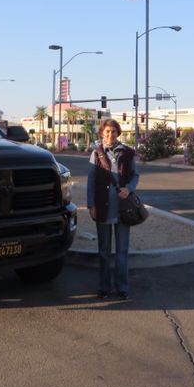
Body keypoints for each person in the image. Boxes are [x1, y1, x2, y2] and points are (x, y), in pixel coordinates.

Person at [87, 118, 140, 300]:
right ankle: (104, 287)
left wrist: (129, 188)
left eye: (114, 132)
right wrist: (91, 205)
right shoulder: (96, 154)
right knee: (103, 251)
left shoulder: (128, 153)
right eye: (107, 132)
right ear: (102, 133)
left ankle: (122, 287)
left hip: (123, 209)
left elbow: (135, 176)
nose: (110, 135)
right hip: (103, 207)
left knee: (122, 251)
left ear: (118, 133)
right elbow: (91, 182)